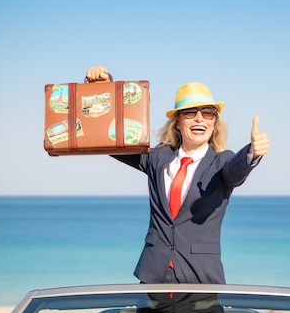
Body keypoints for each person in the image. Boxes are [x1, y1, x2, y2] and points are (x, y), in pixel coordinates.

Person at [86, 65, 269, 284]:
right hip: (152, 276)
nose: (200, 119)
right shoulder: (157, 158)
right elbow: (111, 140)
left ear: (214, 124)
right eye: (191, 112)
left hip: (200, 281)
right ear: (178, 122)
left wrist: (252, 153)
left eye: (208, 113)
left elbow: (236, 170)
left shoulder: (222, 162)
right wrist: (102, 90)